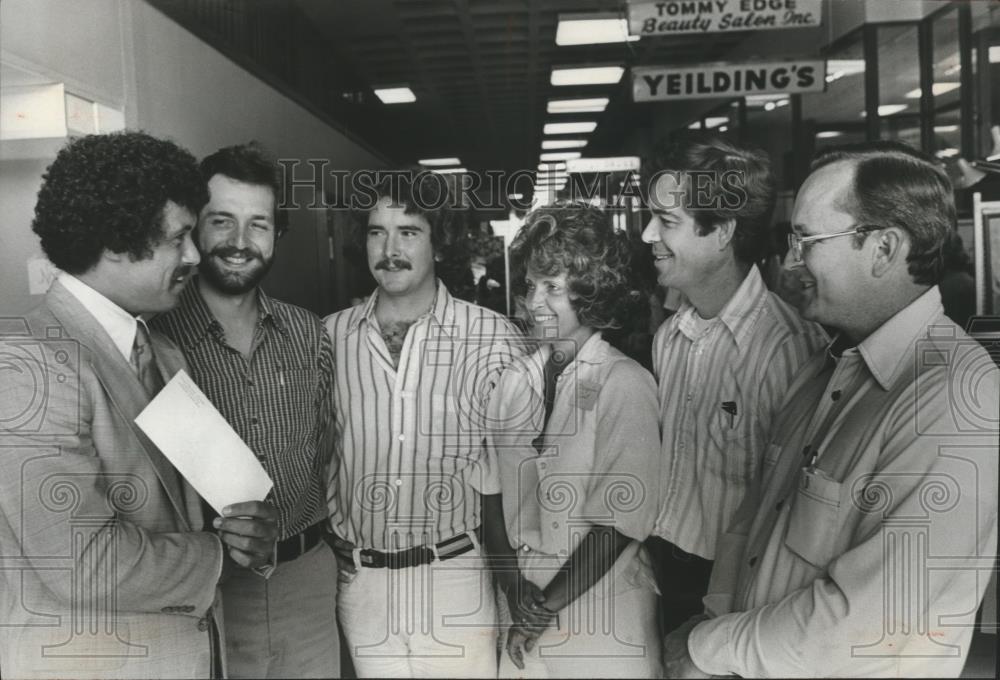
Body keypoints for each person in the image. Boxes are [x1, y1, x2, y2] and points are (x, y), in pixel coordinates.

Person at [667, 141, 999, 677]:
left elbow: (868, 622)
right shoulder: (824, 368)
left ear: (885, 249)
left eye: (808, 242)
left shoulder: (954, 399)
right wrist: (712, 631)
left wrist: (709, 647)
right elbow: (748, 532)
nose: (792, 265)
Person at [0, 131, 278, 679]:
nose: (195, 256)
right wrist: (221, 556)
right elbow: (82, 564)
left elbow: (199, 502)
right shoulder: (27, 366)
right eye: (179, 239)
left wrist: (250, 528)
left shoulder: (163, 350)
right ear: (116, 244)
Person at [322, 169, 522, 677]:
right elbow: (315, 447)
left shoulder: (492, 339)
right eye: (376, 232)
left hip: (453, 574)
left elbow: (521, 470)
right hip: (363, 584)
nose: (389, 248)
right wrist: (326, 527)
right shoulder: (328, 339)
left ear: (439, 242)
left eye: (408, 232)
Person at [151, 143, 340, 678]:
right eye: (221, 221)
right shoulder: (154, 341)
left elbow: (325, 444)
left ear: (277, 234)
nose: (239, 242)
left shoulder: (310, 334)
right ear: (192, 228)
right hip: (207, 591)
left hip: (306, 579)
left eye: (258, 224)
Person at [640, 135, 828, 634]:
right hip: (664, 577)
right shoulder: (669, 338)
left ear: (721, 230)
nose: (646, 235)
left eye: (666, 221)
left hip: (741, 599)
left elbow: (794, 515)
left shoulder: (789, 351)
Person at [484, 201, 662, 678]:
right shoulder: (512, 382)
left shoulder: (624, 382)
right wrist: (512, 589)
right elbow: (489, 497)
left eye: (554, 287)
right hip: (521, 599)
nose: (535, 302)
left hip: (601, 605)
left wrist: (542, 608)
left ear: (591, 292)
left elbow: (619, 524)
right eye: (529, 285)